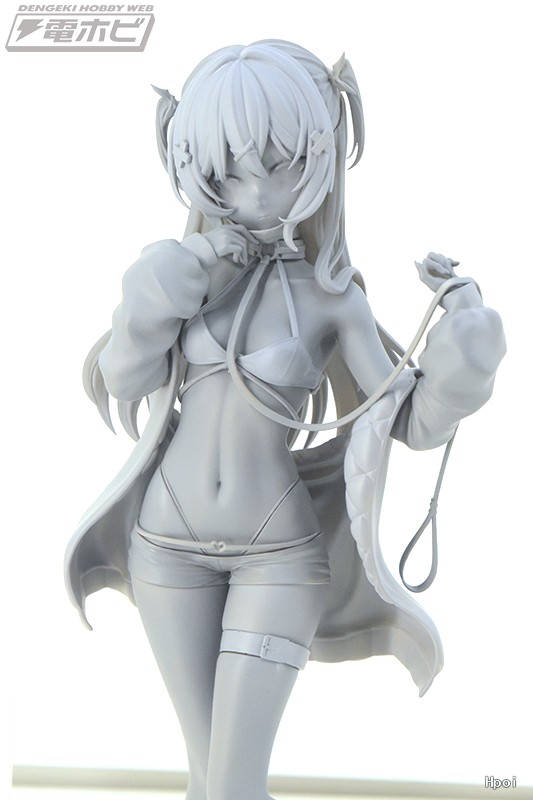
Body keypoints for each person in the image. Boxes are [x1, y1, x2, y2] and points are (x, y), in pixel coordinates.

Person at [65, 40, 505, 800]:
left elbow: (406, 422)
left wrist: (465, 348)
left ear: (321, 154)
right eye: (229, 172)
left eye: (281, 165)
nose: (258, 193)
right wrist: (167, 283)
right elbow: (125, 377)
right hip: (164, 549)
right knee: (208, 782)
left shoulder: (334, 297)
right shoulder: (192, 271)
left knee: (232, 787)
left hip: (278, 555)